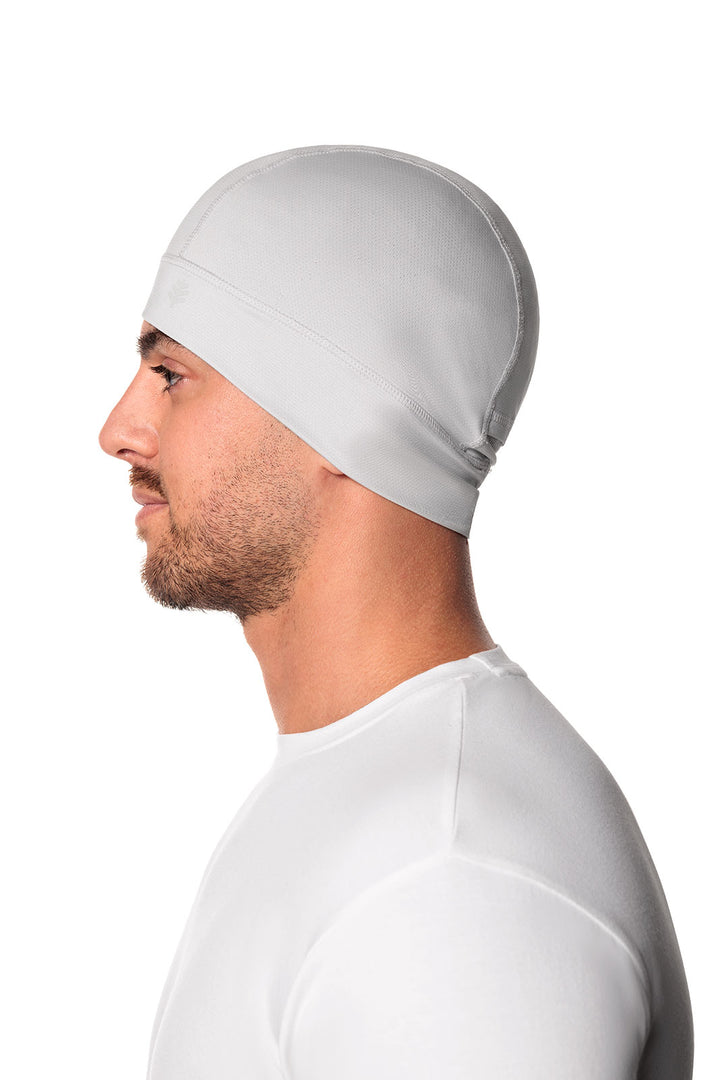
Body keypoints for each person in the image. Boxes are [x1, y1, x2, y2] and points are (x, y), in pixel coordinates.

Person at [99, 144, 693, 1079]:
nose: (117, 431)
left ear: (342, 416)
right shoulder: (381, 800)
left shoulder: (450, 882)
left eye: (171, 373)